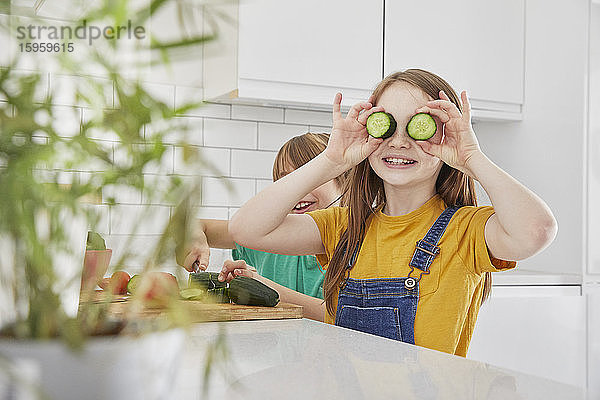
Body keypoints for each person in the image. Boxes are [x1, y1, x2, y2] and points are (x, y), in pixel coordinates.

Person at [225, 69, 558, 356]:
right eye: (386, 126)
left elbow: (536, 231)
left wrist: (472, 158)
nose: (399, 141)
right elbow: (247, 229)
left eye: (419, 126)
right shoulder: (344, 227)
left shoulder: (466, 230)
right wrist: (332, 160)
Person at [178, 133, 348, 320]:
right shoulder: (268, 237)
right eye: (287, 181)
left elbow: (341, 315)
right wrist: (193, 238)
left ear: (343, 180)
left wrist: (261, 285)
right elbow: (200, 226)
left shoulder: (358, 240)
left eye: (311, 176)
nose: (299, 190)